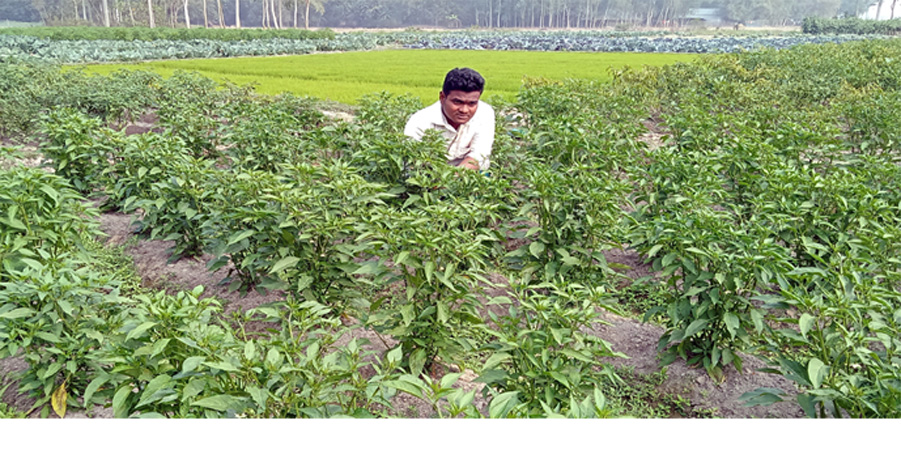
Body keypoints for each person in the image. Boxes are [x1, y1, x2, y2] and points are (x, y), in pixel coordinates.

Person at [403, 67, 495, 171]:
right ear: (442, 97)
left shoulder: (485, 112)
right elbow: (412, 165)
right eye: (457, 102)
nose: (464, 110)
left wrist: (450, 180)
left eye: (472, 103)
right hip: (429, 178)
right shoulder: (420, 122)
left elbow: (479, 155)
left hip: (466, 174)